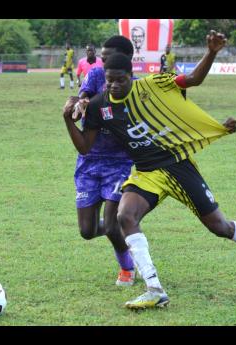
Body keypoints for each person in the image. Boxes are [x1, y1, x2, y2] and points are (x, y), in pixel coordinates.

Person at [63, 31, 236, 310]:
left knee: (219, 227)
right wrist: (68, 118)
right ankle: (154, 288)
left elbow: (192, 80)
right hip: (147, 172)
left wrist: (212, 52)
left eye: (120, 80)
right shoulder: (100, 105)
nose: (114, 86)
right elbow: (85, 147)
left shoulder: (153, 85)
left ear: (131, 76)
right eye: (109, 81)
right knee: (125, 215)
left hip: (177, 165)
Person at [71, 36, 137, 287]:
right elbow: (81, 99)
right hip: (89, 160)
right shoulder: (98, 74)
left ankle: (127, 268)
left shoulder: (135, 87)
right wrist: (77, 106)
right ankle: (124, 232)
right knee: (87, 231)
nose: (102, 59)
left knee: (111, 224)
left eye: (107, 56)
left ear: (125, 59)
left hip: (119, 162)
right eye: (102, 55)